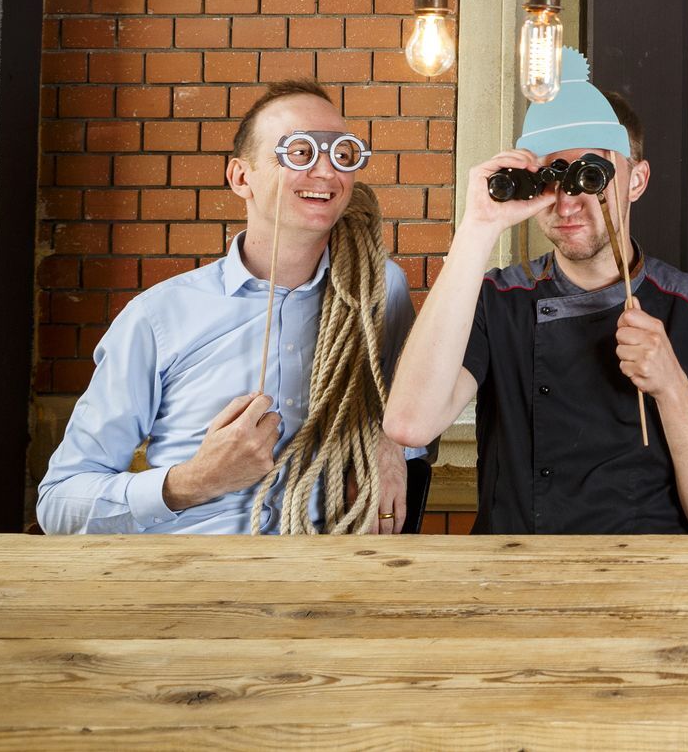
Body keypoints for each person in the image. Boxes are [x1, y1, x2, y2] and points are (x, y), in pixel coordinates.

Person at [384, 49, 688, 534]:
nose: (567, 199)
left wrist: (671, 388)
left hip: (651, 586)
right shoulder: (497, 301)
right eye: (551, 176)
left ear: (636, 181)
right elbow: (409, 424)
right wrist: (477, 227)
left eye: (589, 174)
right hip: (517, 582)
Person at [39, 80, 420, 534]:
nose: (325, 172)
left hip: (331, 576)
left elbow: (413, 410)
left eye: (342, 153)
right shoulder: (158, 317)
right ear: (241, 177)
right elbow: (59, 503)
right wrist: (195, 481)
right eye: (299, 153)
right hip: (189, 581)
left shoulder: (380, 291)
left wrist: (392, 443)